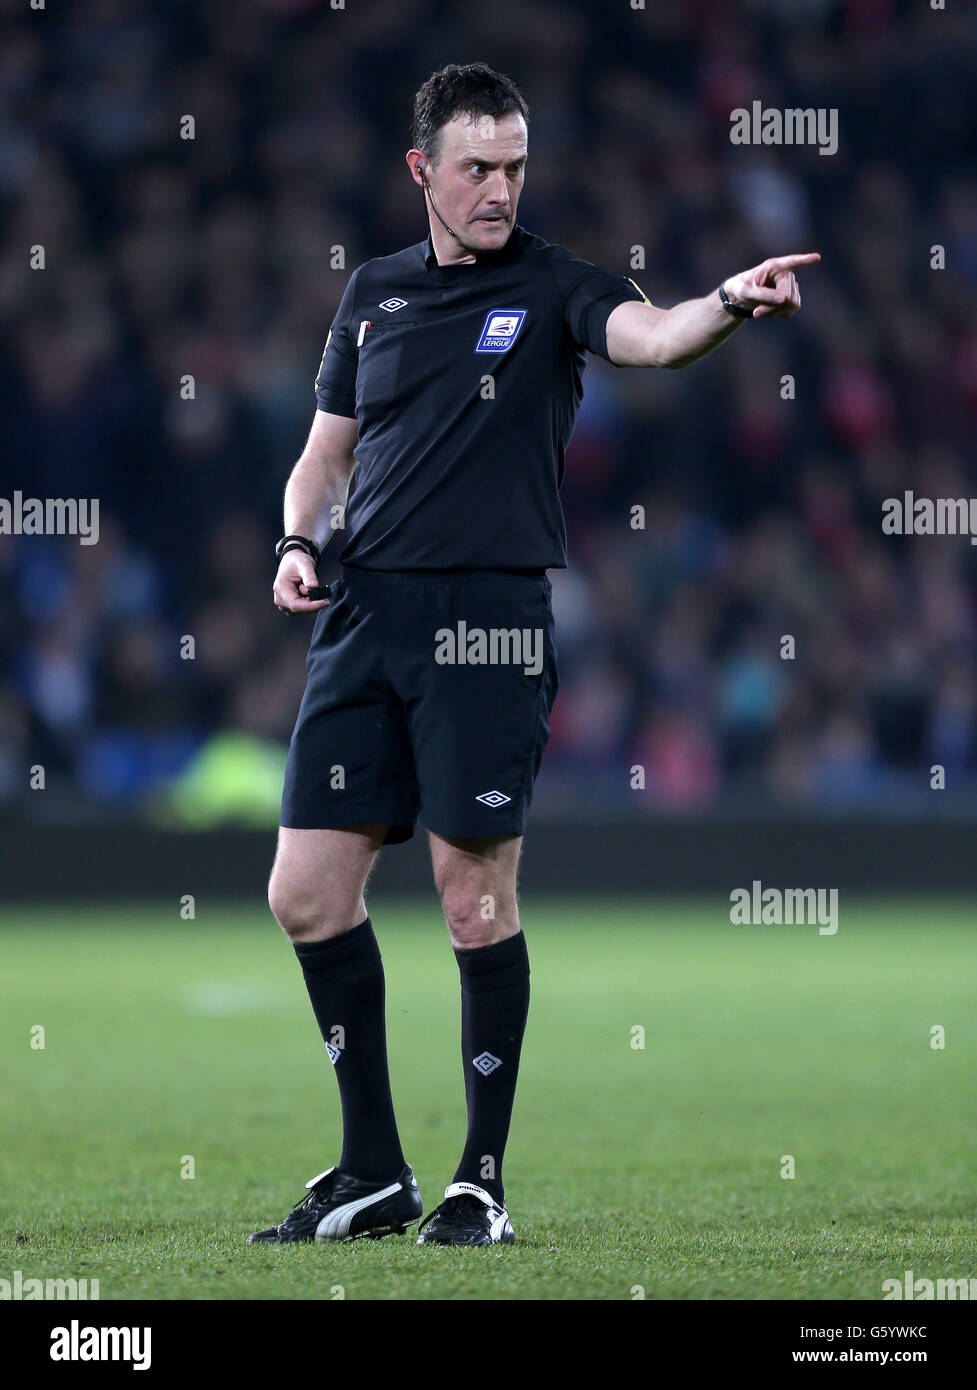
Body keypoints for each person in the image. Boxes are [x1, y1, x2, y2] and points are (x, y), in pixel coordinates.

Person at [248, 61, 818, 1247]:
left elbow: (652, 338)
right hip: (361, 617)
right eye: (476, 168)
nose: (499, 188)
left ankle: (479, 1180)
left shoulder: (556, 283)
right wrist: (299, 539)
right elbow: (324, 456)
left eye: (513, 166)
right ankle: (370, 1169)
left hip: (486, 622)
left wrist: (725, 300)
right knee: (304, 896)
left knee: (472, 901)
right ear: (422, 171)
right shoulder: (373, 293)